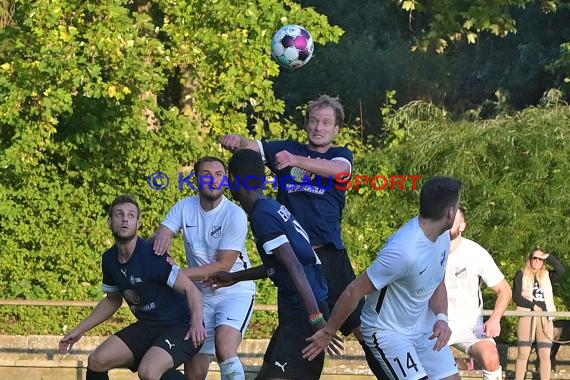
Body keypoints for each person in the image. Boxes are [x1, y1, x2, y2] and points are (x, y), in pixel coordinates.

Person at [220, 95, 366, 350]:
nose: (319, 127)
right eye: (314, 121)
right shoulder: (286, 148)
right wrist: (237, 141)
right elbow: (250, 147)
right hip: (297, 259)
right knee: (298, 333)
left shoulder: (339, 154)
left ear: (336, 129)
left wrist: (295, 161)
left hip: (330, 256)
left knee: (365, 332)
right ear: (307, 124)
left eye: (325, 122)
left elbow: (340, 171)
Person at [303, 176, 463, 380]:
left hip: (425, 329)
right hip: (388, 332)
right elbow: (354, 290)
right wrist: (328, 332)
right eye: (457, 207)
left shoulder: (442, 238)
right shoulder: (404, 251)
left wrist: (441, 319)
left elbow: (437, 279)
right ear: (450, 213)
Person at [203, 149, 342, 380]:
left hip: (304, 313)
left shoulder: (262, 216)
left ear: (235, 181)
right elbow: (278, 266)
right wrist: (235, 277)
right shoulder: (271, 207)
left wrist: (316, 320)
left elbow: (295, 266)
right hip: (301, 310)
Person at [58, 194, 206, 380]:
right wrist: (78, 330)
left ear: (138, 224)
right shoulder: (109, 259)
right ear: (110, 222)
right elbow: (112, 301)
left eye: (131, 215)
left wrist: (197, 323)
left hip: (181, 327)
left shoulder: (154, 254)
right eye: (119, 214)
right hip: (147, 327)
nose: (125, 219)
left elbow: (191, 290)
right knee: (97, 361)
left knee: (149, 371)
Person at [153, 156, 256, 380]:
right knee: (193, 372)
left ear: (226, 181)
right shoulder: (184, 206)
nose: (213, 180)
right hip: (199, 296)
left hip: (234, 292)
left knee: (225, 348)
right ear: (196, 179)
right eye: (206, 175)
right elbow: (163, 232)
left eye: (219, 175)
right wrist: (163, 238)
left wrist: (176, 274)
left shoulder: (235, 214)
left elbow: (223, 266)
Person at [446, 207, 512, 380]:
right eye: (445, 217)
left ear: (462, 226)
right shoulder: (427, 250)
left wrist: (495, 318)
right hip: (434, 324)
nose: (448, 221)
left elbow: (504, 290)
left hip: (470, 326)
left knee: (491, 357)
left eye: (454, 219)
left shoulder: (476, 253)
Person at [513, 247, 566, 380]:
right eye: (534, 258)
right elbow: (516, 296)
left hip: (545, 317)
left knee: (545, 353)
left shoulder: (548, 275)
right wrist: (532, 306)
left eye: (540, 259)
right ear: (530, 259)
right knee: (523, 352)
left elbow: (561, 270)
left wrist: (548, 256)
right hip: (528, 315)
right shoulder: (521, 273)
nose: (537, 261)